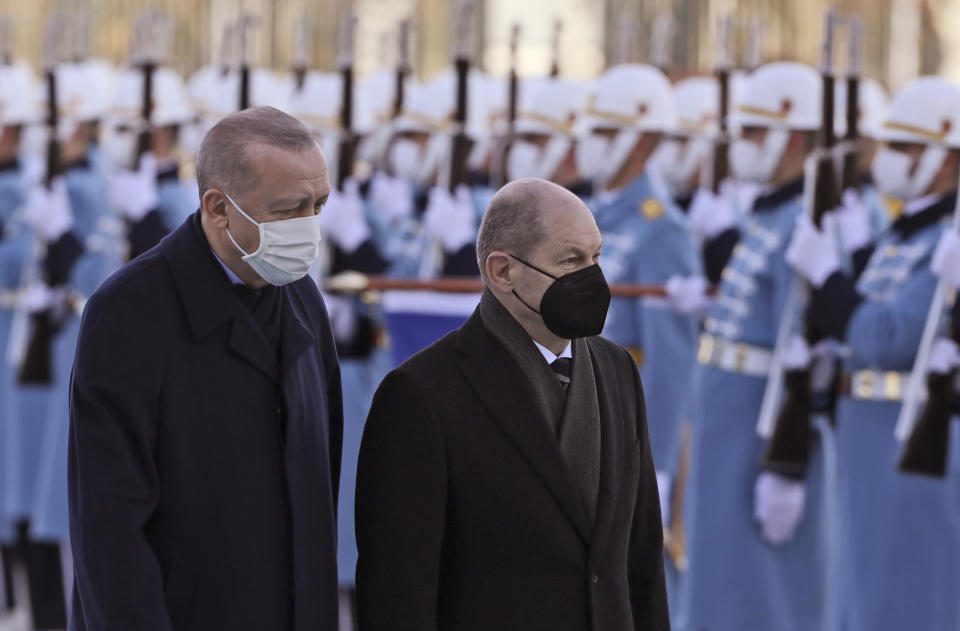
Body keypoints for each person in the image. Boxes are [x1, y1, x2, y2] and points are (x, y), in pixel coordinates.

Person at [68, 106, 342, 631]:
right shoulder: (130, 312)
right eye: (289, 209)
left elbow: (318, 481)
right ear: (219, 209)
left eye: (319, 205)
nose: (309, 227)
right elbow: (109, 529)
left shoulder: (302, 298)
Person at [355, 178, 669, 631]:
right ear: (503, 271)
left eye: (595, 257)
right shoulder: (422, 394)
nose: (592, 277)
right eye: (570, 261)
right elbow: (398, 591)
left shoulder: (616, 368)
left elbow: (641, 557)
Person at [788, 76, 960, 631]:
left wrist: (829, 273)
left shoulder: (946, 240)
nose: (887, 159)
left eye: (904, 148)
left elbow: (888, 338)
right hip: (865, 434)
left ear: (947, 158)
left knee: (905, 595)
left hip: (908, 438)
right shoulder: (906, 233)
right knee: (859, 596)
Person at [676, 61, 830, 631]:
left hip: (759, 427)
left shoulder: (803, 219)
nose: (739, 146)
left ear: (790, 138)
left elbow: (806, 350)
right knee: (718, 574)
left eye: (753, 133)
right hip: (726, 416)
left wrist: (787, 462)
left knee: (759, 587)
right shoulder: (770, 215)